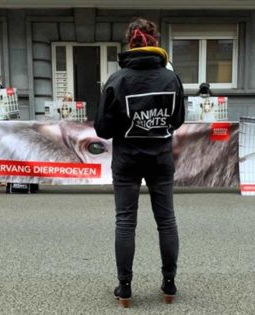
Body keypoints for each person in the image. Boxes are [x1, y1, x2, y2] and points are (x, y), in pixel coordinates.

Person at [94, 17, 185, 308]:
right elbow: (179, 120)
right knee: (166, 221)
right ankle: (169, 284)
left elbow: (102, 129)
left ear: (129, 43)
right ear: (155, 41)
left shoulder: (117, 80)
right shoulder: (171, 78)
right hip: (160, 158)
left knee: (125, 222)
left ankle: (125, 288)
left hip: (127, 160)